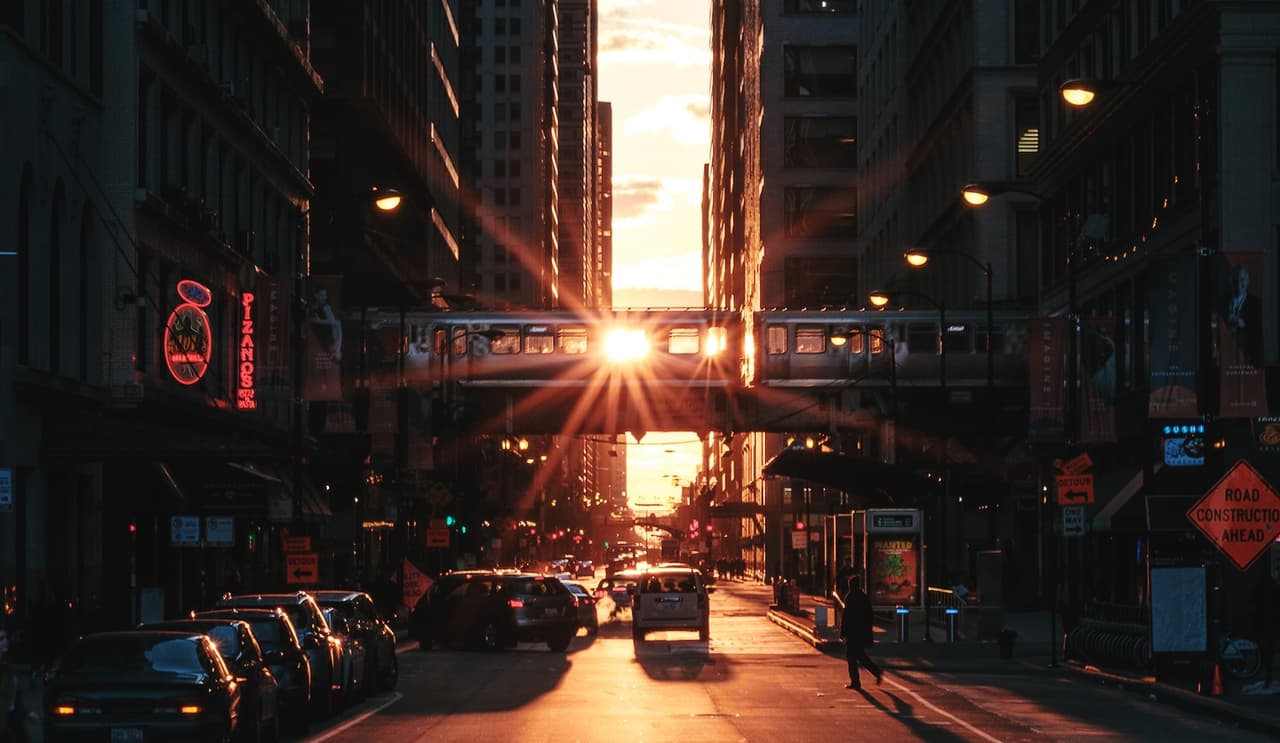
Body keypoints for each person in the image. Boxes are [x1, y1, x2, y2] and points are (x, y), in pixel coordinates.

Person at [839, 573, 883, 689]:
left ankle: (856, 682)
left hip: (852, 633)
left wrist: (843, 633)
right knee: (861, 656)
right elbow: (869, 616)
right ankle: (876, 672)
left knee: (851, 657)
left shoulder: (849, 597)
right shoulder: (865, 598)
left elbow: (846, 616)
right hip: (862, 632)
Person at [1224, 263, 1263, 367]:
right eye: (1235, 280)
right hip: (1227, 358)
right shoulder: (1223, 304)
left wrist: (1243, 324)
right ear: (1230, 281)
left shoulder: (1256, 303)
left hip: (1249, 359)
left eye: (1242, 280)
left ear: (1248, 281)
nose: (1239, 284)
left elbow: (1260, 332)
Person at [1, 626, 29, 743]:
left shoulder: (7, 666)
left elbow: (15, 693)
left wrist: (26, 712)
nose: (6, 641)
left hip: (11, 719)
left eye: (6, 638)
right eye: (1, 639)